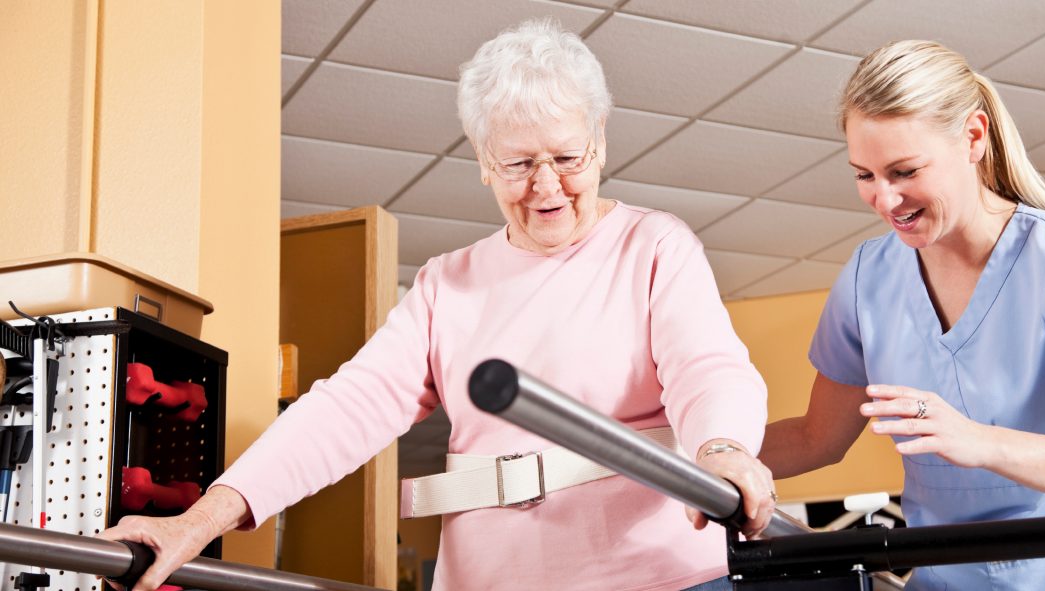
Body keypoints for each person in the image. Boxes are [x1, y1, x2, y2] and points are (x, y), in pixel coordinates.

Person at [102, 19, 775, 591]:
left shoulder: (653, 246)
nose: (547, 186)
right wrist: (198, 521)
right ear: (482, 158)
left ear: (599, 142)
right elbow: (347, 407)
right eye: (517, 164)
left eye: (568, 157)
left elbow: (708, 367)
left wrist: (722, 448)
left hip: (657, 575)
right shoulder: (446, 284)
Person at [758, 40, 1045, 590]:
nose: (885, 200)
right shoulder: (869, 275)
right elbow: (816, 437)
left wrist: (977, 440)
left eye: (904, 170)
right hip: (952, 580)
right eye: (864, 176)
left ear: (973, 137)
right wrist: (697, 454)